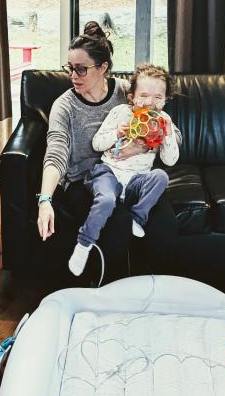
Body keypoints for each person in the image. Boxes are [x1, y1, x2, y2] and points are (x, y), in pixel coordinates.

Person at [35, 21, 149, 283]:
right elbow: (56, 152)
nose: (73, 76)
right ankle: (103, 293)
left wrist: (141, 145)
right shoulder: (64, 106)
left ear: (103, 68)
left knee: (161, 215)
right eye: (70, 68)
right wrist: (45, 200)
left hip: (123, 172)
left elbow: (155, 119)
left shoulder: (126, 94)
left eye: (81, 69)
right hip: (82, 181)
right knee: (118, 220)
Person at [69, 64, 181, 276]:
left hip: (136, 181)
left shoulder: (164, 120)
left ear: (165, 100)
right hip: (109, 172)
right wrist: (117, 134)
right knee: (107, 200)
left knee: (160, 176)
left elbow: (170, 160)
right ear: (131, 97)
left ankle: (137, 219)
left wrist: (167, 135)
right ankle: (84, 244)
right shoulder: (120, 113)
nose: (150, 102)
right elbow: (97, 144)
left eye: (158, 97)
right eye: (144, 95)